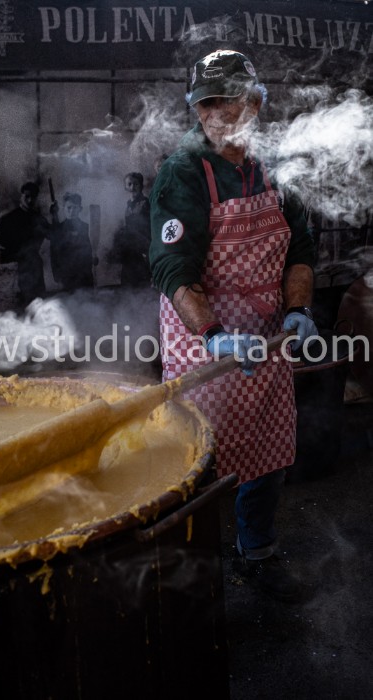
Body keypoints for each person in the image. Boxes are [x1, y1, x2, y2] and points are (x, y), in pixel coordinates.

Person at [149, 49, 317, 601]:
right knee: (196, 460)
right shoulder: (183, 170)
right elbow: (173, 269)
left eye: (229, 101)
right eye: (206, 104)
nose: (216, 114)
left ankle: (257, 552)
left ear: (256, 104)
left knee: (266, 453)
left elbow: (301, 249)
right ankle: (188, 575)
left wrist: (299, 311)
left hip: (268, 338)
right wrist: (216, 337)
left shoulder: (276, 165)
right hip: (205, 340)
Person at [0, 182, 48, 307]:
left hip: (34, 267)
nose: (30, 200)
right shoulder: (8, 219)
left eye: (33, 197)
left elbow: (54, 235)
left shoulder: (40, 220)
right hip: (14, 268)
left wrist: (54, 214)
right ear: (21, 196)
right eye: (27, 196)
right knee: (16, 305)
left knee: (37, 304)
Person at [110, 172, 151, 287]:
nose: (132, 187)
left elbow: (150, 227)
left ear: (141, 186)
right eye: (129, 184)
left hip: (142, 247)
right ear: (125, 187)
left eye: (136, 184)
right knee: (127, 281)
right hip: (129, 248)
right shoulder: (128, 205)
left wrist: (146, 249)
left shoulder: (146, 203)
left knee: (142, 283)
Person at [48, 192, 94, 291]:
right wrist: (57, 277)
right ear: (63, 208)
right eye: (69, 207)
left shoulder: (86, 227)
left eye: (75, 208)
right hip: (66, 278)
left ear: (80, 209)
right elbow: (54, 254)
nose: (72, 211)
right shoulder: (58, 229)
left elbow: (89, 251)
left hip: (84, 277)